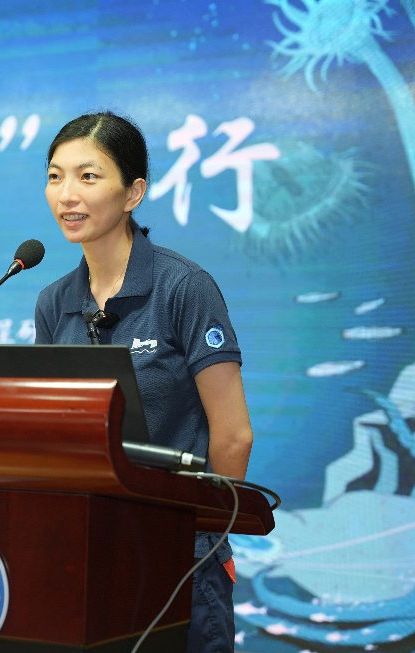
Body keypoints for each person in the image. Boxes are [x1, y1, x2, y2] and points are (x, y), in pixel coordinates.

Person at [34, 111, 254, 652]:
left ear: (133, 193)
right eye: (56, 176)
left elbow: (233, 436)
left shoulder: (184, 288)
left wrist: (203, 540)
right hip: (88, 554)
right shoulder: (54, 302)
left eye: (88, 176)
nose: (67, 194)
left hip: (180, 559)